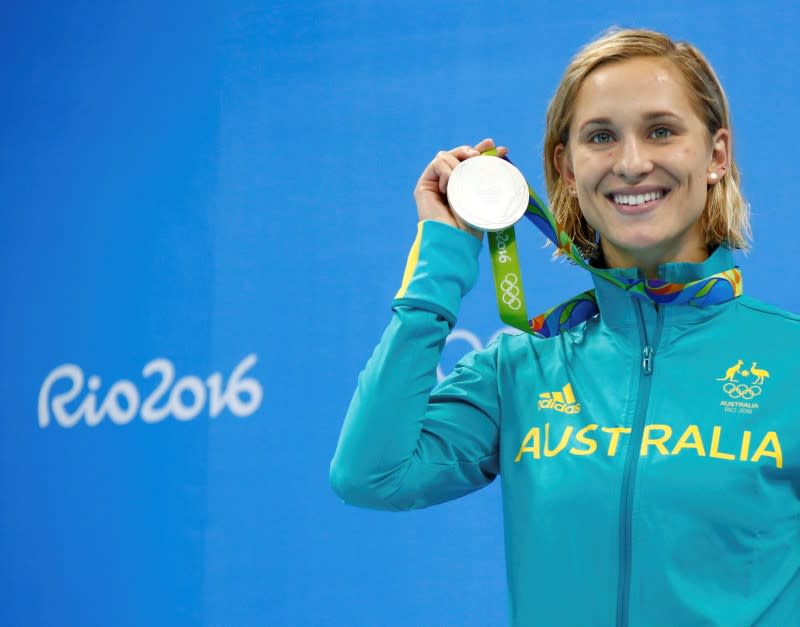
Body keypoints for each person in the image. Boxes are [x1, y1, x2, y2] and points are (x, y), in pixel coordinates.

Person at [330, 28, 800, 626]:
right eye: (601, 137)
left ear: (715, 156)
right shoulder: (518, 368)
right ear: (566, 168)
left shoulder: (792, 361)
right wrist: (441, 258)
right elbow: (371, 475)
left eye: (661, 130)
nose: (631, 163)